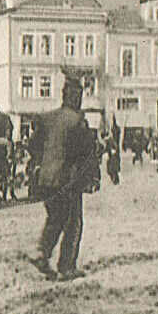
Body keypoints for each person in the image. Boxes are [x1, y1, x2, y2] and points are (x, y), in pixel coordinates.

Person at [27, 77, 100, 282]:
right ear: (76, 97)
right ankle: (66, 267)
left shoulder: (48, 118)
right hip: (66, 181)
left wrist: (40, 164)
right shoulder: (78, 121)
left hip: (45, 179)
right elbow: (85, 154)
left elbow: (33, 146)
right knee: (73, 222)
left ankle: (42, 253)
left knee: (55, 217)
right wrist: (91, 178)